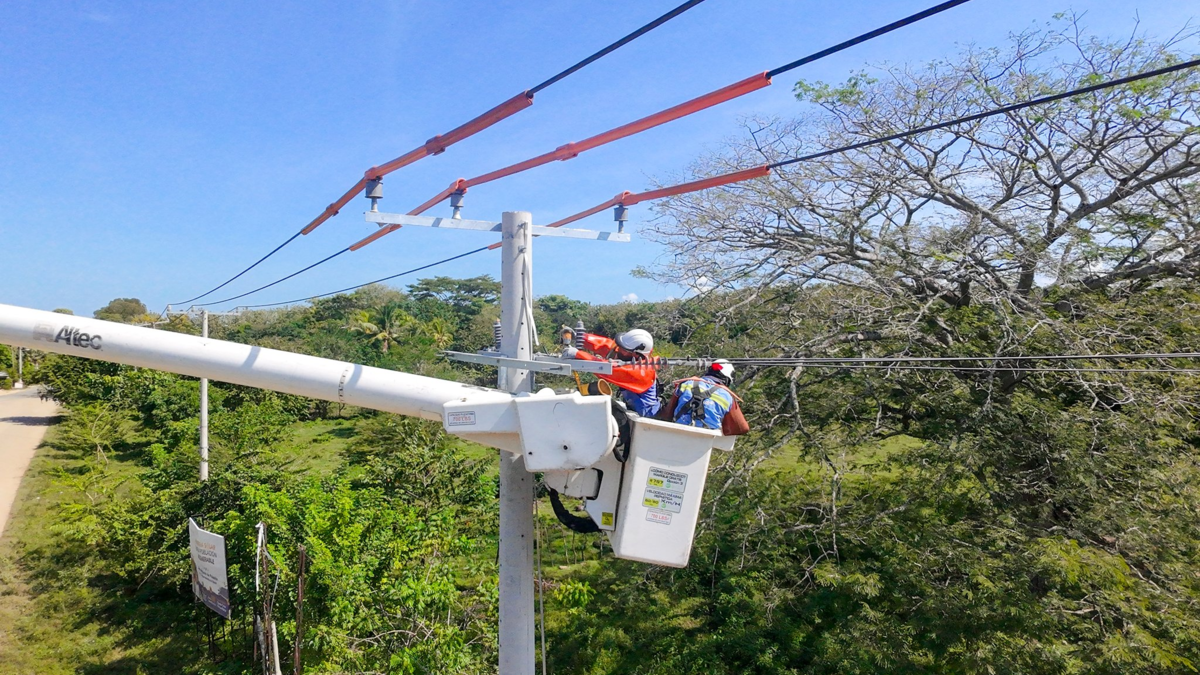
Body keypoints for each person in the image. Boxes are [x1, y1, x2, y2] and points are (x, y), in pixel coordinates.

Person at [562, 327, 662, 418]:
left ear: (636, 355)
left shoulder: (641, 372)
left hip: (647, 418)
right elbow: (607, 346)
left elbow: (608, 369)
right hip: (635, 411)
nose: (618, 349)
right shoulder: (631, 358)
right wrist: (581, 337)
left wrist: (577, 354)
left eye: (624, 349)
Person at [661, 359, 749, 436]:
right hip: (705, 440)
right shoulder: (727, 396)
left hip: (678, 433)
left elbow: (667, 414)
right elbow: (742, 428)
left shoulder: (686, 383)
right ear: (727, 378)